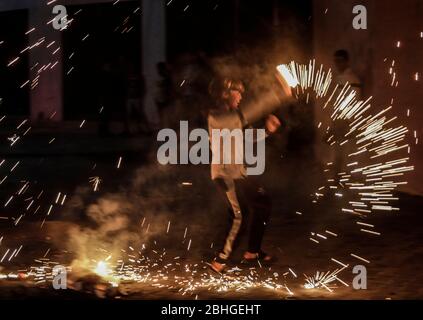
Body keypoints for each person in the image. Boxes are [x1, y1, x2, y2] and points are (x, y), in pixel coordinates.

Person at [207, 78, 285, 273]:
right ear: (224, 94)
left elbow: (247, 135)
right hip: (224, 174)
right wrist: (279, 94)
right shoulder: (216, 116)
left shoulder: (234, 116)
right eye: (237, 92)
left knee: (263, 202)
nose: (241, 96)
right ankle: (219, 261)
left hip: (239, 173)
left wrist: (267, 130)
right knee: (238, 215)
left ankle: (252, 252)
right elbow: (245, 116)